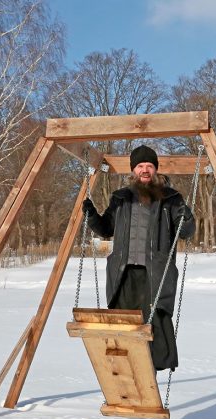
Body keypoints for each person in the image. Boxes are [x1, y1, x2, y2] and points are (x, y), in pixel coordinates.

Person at [82, 145, 195, 371]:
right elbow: (106, 229)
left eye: (149, 166)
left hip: (155, 273)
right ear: (133, 170)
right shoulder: (121, 198)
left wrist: (187, 217)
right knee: (123, 323)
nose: (145, 170)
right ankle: (124, 370)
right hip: (123, 273)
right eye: (140, 166)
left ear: (156, 169)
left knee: (155, 323)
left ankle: (150, 373)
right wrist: (92, 215)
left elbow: (185, 232)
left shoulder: (171, 199)